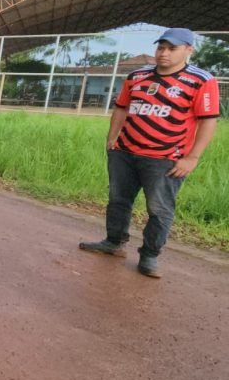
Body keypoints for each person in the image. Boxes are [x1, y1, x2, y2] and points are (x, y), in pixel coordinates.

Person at [79, 28, 219, 278]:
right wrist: (112, 139)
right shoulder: (137, 75)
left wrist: (192, 157)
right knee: (118, 200)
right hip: (124, 153)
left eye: (172, 48)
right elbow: (121, 108)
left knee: (159, 209)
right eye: (161, 47)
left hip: (165, 159)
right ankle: (114, 242)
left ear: (189, 50)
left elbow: (208, 120)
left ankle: (149, 256)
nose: (164, 53)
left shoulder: (201, 80)